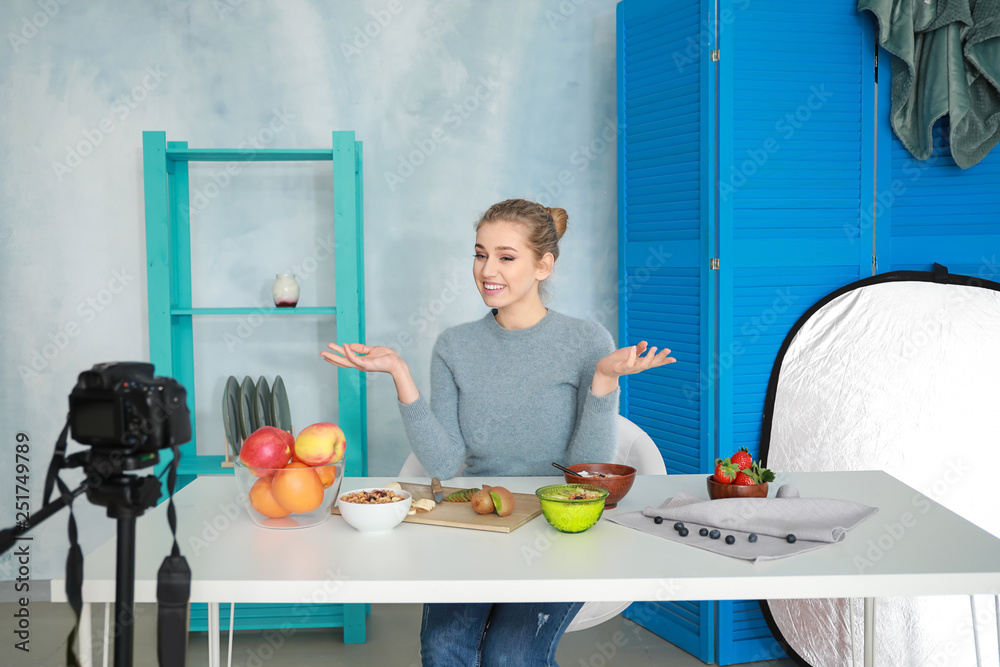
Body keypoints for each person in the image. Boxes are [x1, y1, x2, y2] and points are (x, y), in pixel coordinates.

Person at [321, 198, 674, 666]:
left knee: (510, 656)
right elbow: (445, 465)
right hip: (477, 524)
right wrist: (399, 374)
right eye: (480, 253)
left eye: (506, 257)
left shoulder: (587, 342)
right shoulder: (454, 346)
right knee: (444, 649)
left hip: (557, 530)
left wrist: (604, 381)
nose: (488, 269)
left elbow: (585, 481)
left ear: (544, 265)